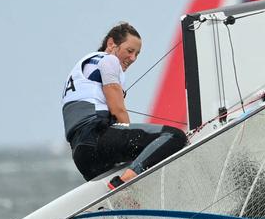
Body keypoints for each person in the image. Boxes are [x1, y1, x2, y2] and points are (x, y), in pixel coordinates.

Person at [62, 22, 188, 188]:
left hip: (81, 156)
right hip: (97, 139)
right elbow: (118, 110)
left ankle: (124, 191)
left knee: (128, 193)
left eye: (137, 54)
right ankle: (125, 181)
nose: (133, 58)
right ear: (111, 44)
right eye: (130, 51)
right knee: (174, 136)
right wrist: (136, 142)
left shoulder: (81, 68)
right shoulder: (108, 60)